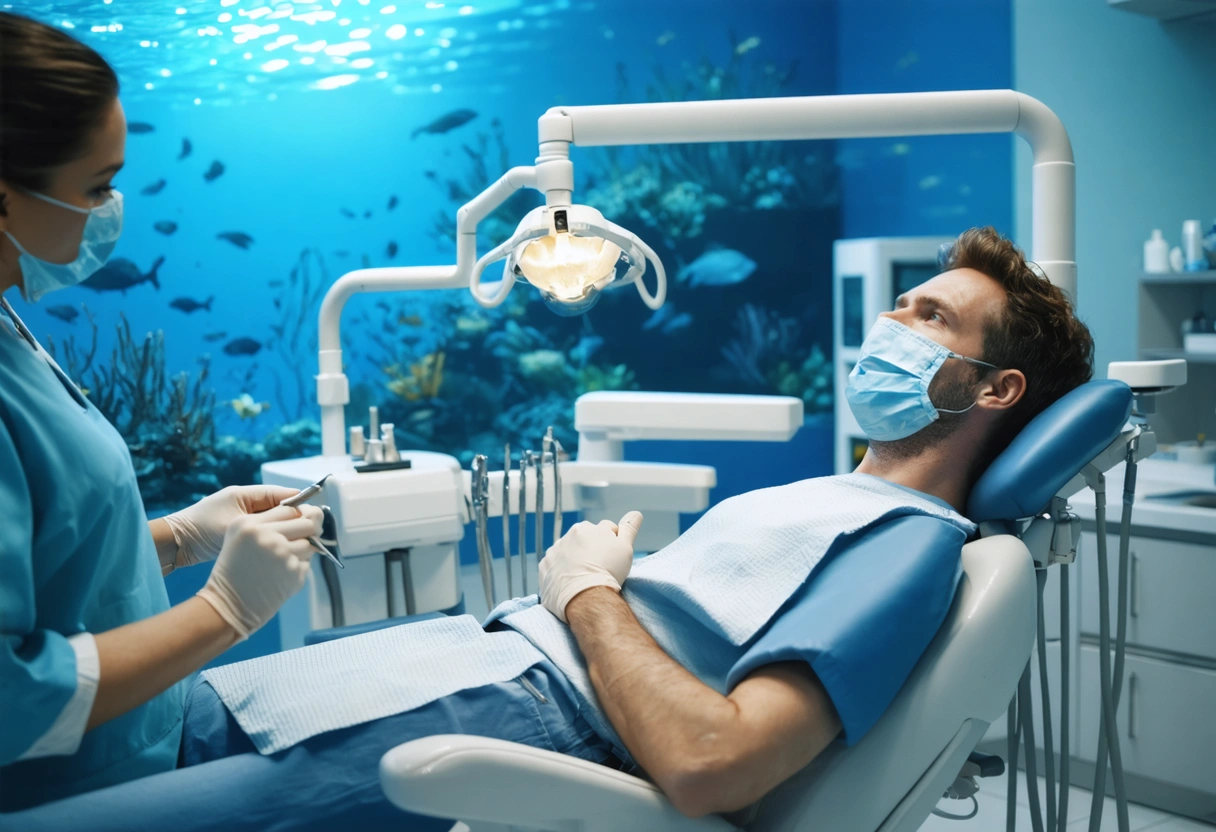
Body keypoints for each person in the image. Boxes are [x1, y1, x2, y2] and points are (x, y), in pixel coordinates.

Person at [0, 11, 326, 811]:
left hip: (142, 739)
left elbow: (47, 556)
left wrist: (179, 538)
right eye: (98, 184)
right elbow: (11, 699)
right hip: (72, 790)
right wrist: (224, 610)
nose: (113, 207)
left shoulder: (9, 320)